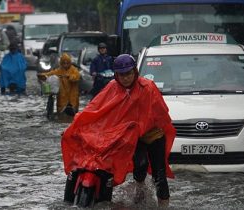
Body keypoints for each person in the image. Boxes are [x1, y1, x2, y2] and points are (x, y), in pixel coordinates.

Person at [61, 54, 176, 207]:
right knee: (139, 167)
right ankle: (140, 198)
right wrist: (77, 123)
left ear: (135, 72)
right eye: (121, 75)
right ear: (116, 75)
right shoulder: (111, 87)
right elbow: (95, 108)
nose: (125, 78)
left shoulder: (147, 87)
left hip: (153, 135)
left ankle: (163, 205)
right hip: (130, 137)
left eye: (128, 73)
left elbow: (159, 114)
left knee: (159, 174)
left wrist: (136, 126)